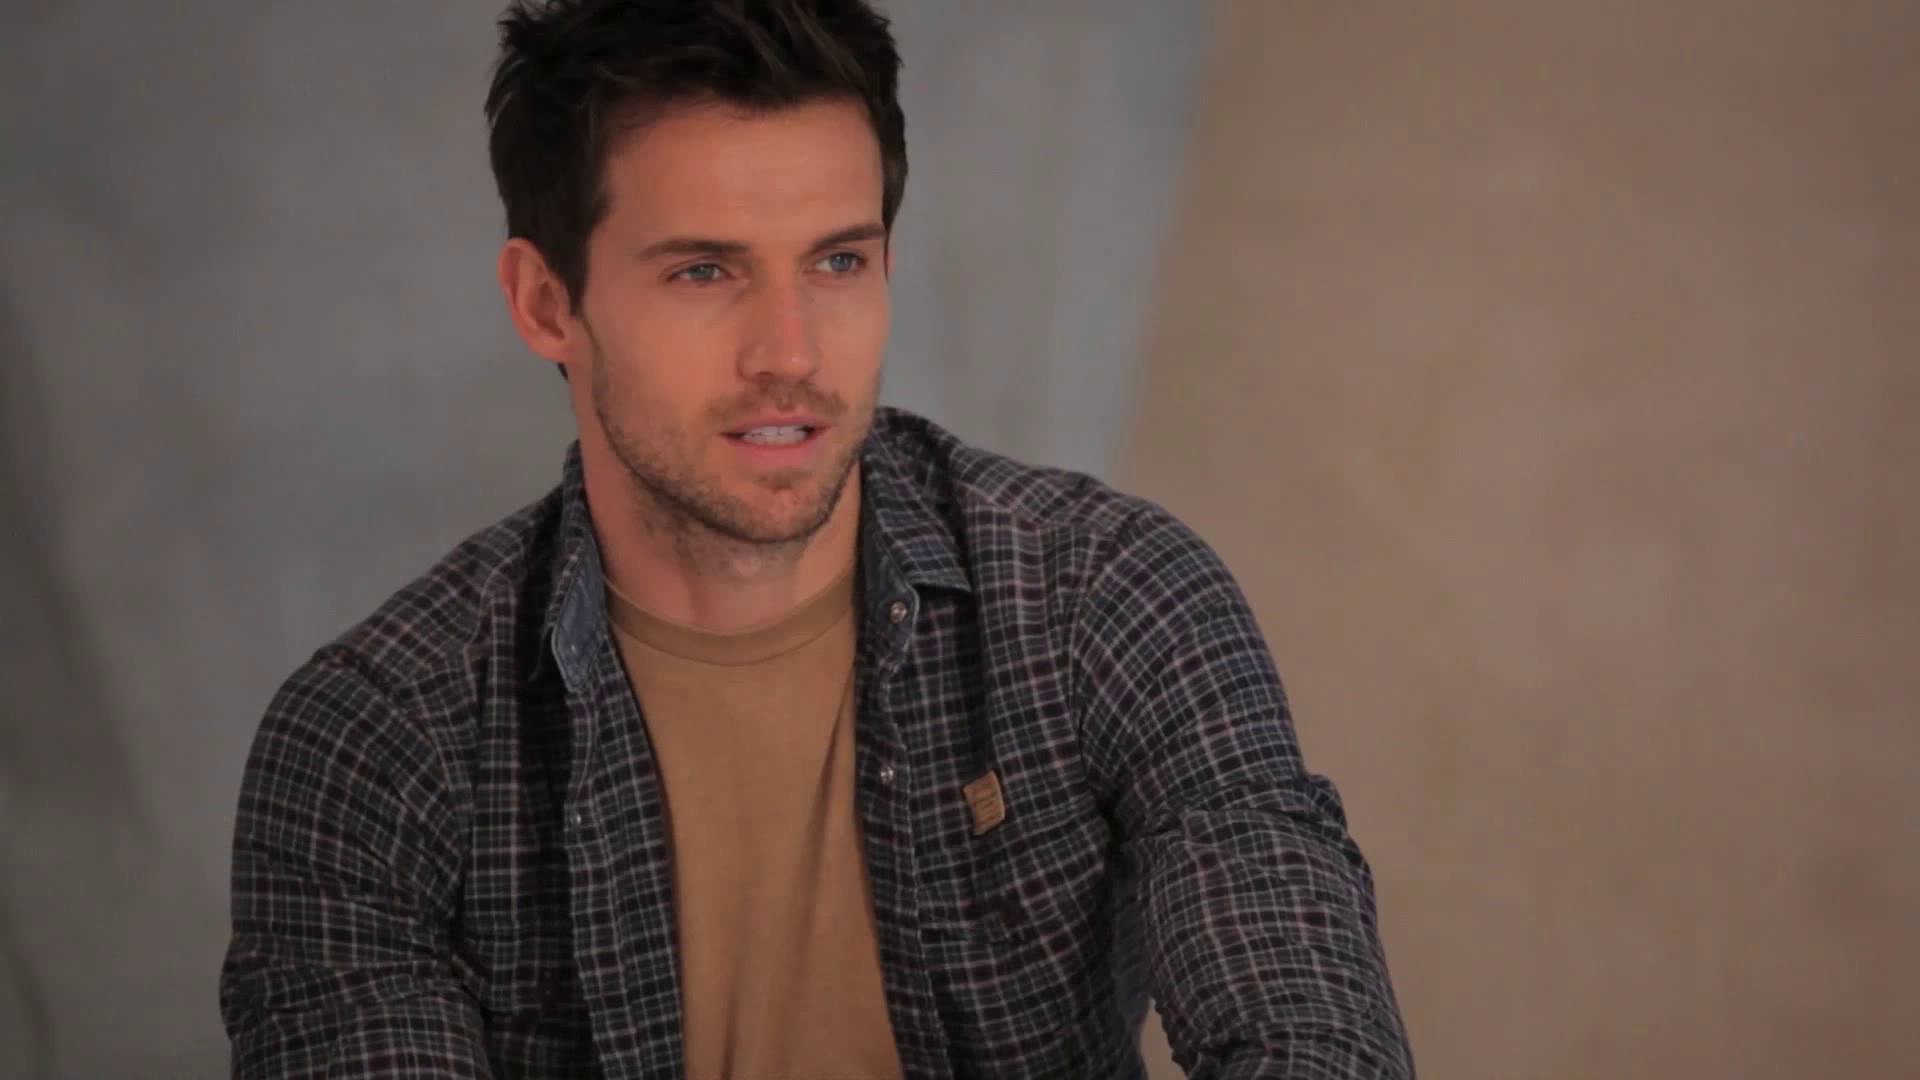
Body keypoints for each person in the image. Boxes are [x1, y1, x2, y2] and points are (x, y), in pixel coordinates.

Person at [218, 1, 1415, 1077]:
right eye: (704, 272)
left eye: (838, 261)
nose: (790, 352)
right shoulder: (374, 742)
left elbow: (1315, 1036)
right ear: (546, 303)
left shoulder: (1109, 597)